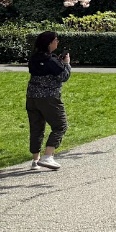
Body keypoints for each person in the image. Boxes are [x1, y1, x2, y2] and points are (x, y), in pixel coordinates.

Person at [27, 30, 71, 171]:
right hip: (49, 98)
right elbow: (63, 76)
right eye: (56, 40)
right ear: (49, 43)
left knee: (36, 127)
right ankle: (48, 156)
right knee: (60, 125)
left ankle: (35, 160)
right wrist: (67, 63)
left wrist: (58, 61)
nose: (57, 42)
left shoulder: (34, 58)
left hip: (32, 97)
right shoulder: (51, 61)